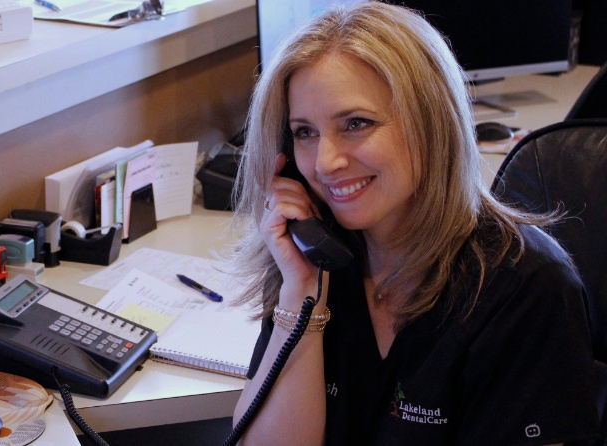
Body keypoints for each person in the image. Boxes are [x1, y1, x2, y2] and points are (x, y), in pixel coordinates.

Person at [227, 3, 599, 445]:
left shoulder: (526, 288)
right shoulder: (320, 260)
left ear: (431, 123)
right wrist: (301, 294)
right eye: (305, 132)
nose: (325, 163)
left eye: (356, 123)